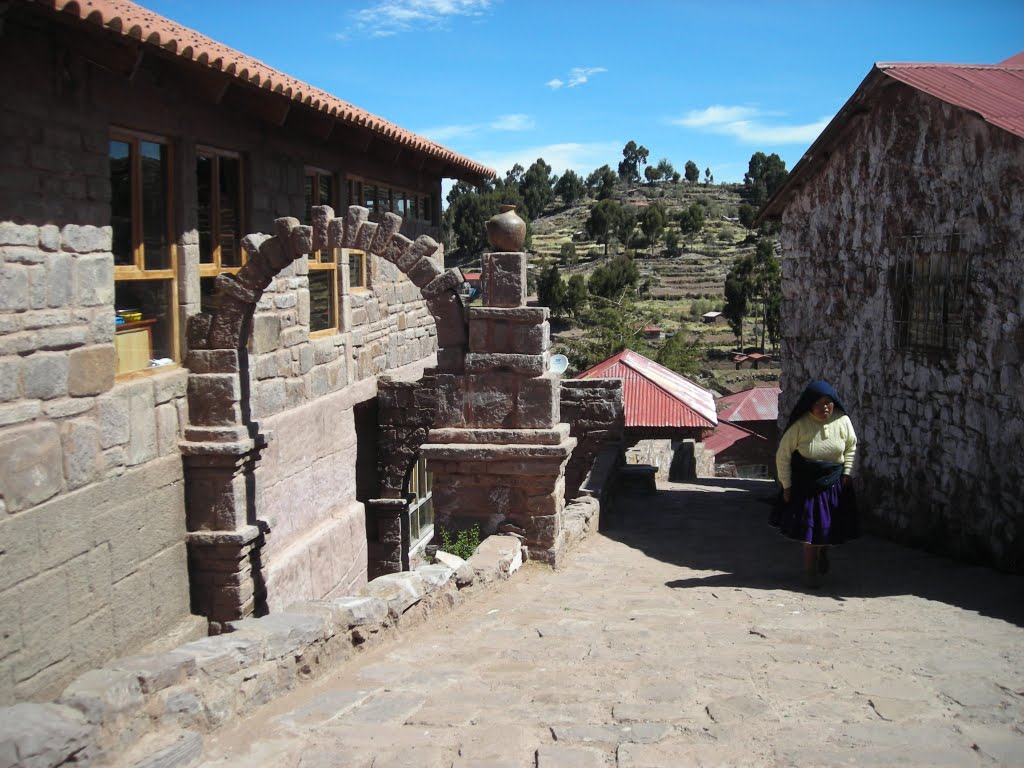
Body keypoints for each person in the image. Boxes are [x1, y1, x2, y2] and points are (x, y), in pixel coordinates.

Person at [772, 380, 858, 587]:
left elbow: (851, 447)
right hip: (807, 484)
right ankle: (810, 572)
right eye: (819, 404)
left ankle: (824, 550)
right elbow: (783, 455)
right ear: (809, 404)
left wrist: (847, 472)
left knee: (828, 527)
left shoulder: (843, 420)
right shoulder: (800, 426)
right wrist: (787, 485)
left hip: (835, 482)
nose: (824, 408)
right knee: (810, 530)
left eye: (828, 403)